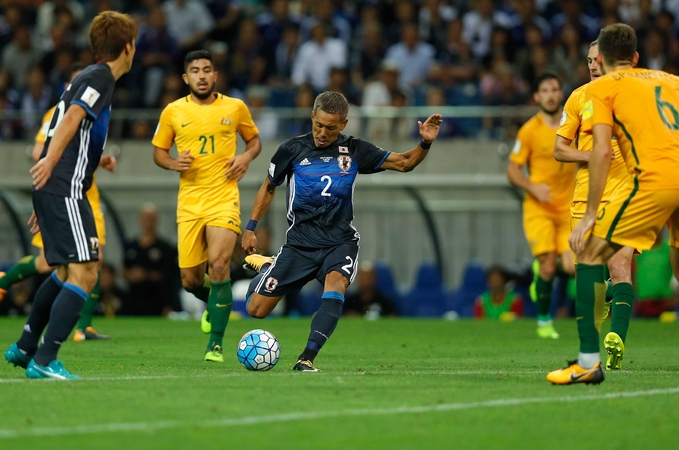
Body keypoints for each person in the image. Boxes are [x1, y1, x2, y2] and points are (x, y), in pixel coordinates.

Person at [551, 23, 679, 386]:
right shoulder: (672, 80)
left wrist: (589, 215)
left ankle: (587, 362)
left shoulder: (603, 89)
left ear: (604, 61)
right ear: (636, 56)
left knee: (589, 255)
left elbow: (602, 152)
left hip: (652, 182)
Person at [241, 91, 442, 372]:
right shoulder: (291, 149)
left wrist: (425, 142)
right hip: (299, 245)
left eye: (331, 128)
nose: (323, 133)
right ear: (312, 116)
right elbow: (269, 186)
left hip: (339, 242)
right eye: (318, 125)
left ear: (344, 124)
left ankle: (306, 358)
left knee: (335, 287)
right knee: (255, 309)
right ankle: (268, 267)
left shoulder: (355, 150)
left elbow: (404, 162)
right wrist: (251, 227)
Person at [3, 11, 138, 380]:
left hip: (58, 188)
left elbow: (74, 129)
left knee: (65, 272)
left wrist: (52, 185)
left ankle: (26, 347)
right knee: (86, 273)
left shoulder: (88, 76)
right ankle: (45, 360)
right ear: (127, 47)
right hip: (65, 187)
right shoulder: (101, 76)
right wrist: (49, 166)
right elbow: (72, 117)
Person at [0, 63, 115, 342]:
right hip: (62, 192)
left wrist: (100, 160)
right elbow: (40, 150)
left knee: (95, 259)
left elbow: (84, 148)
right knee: (49, 264)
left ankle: (83, 327)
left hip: (87, 195)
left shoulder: (96, 106)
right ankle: (5, 281)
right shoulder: (58, 113)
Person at [152, 49, 262, 363]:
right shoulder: (173, 111)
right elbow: (159, 152)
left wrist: (245, 157)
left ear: (215, 75)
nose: (201, 76)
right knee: (190, 280)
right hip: (189, 203)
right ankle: (214, 303)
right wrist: (174, 163)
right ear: (185, 78)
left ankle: (215, 345)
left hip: (223, 198)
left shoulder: (235, 107)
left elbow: (254, 141)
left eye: (207, 70)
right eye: (195, 71)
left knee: (219, 264)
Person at [553, 40, 637, 370]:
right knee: (588, 275)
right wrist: (589, 155)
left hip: (624, 195)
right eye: (589, 59)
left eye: (598, 60)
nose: (592, 65)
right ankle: (595, 335)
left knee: (620, 266)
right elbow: (560, 149)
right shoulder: (578, 97)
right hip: (585, 198)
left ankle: (616, 339)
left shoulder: (633, 97)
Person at [506, 72, 574, 340]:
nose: (550, 95)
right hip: (539, 208)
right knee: (547, 265)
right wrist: (532, 186)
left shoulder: (573, 125)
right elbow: (512, 170)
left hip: (569, 209)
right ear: (536, 96)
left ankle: (543, 276)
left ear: (561, 94)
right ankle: (544, 321)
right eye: (544, 90)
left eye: (554, 89)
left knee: (572, 267)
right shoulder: (529, 130)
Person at [122, 203, 177, 316]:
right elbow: (124, 271)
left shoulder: (165, 248)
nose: (148, 222)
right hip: (133, 300)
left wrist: (145, 275)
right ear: (139, 220)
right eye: (145, 218)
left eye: (151, 218)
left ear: (156, 220)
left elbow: (169, 276)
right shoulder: (131, 246)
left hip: (157, 301)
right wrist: (132, 275)